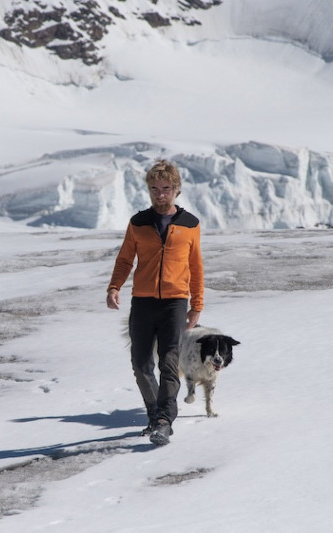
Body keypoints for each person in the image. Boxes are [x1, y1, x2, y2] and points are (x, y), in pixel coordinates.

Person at [106, 159, 204, 445]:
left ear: (176, 189)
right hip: (143, 302)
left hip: (175, 302)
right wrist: (114, 287)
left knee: (169, 363)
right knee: (140, 363)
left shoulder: (190, 224)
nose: (160, 194)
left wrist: (196, 304)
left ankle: (164, 420)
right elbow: (125, 259)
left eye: (165, 189)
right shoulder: (138, 223)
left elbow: (196, 267)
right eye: (154, 189)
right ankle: (154, 414)